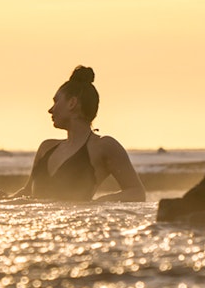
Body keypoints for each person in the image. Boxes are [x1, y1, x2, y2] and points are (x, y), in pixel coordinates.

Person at [14, 66, 146, 202]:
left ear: (72, 103)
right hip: (38, 223)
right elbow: (27, 193)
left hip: (80, 222)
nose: (50, 110)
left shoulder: (103, 146)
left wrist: (98, 203)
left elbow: (136, 192)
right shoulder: (46, 147)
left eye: (56, 101)